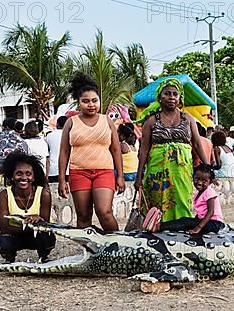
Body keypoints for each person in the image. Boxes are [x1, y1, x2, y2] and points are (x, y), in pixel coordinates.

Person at [134, 77, 209, 224]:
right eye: (167, 93)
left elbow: (197, 144)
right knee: (157, 202)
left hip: (181, 170)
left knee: (181, 200)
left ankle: (180, 233)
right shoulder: (151, 121)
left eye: (175, 94)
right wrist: (139, 176)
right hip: (157, 170)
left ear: (180, 98)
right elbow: (143, 151)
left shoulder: (188, 118)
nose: (171, 97)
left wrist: (207, 168)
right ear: (159, 97)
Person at [58, 72, 125, 231]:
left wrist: (120, 176)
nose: (91, 105)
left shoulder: (107, 121)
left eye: (95, 101)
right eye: (85, 101)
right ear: (78, 102)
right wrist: (62, 179)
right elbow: (64, 152)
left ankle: (117, 247)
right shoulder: (70, 123)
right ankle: (88, 251)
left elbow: (116, 149)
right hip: (78, 173)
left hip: (104, 172)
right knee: (83, 215)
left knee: (105, 212)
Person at [0, 151, 56, 263]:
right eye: (19, 173)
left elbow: (45, 224)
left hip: (35, 236)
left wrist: (39, 219)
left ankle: (44, 256)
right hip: (13, 236)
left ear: (34, 177)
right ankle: (9, 258)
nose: (24, 178)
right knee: (4, 240)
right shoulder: (4, 196)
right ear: (12, 176)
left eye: (28, 174)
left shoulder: (44, 194)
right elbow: (4, 228)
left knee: (47, 236)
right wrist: (30, 224)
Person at [159, 164, 225, 235]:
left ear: (210, 182)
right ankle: (161, 225)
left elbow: (210, 212)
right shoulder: (199, 193)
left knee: (185, 221)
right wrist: (194, 222)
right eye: (197, 179)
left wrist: (198, 227)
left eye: (204, 181)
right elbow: (201, 214)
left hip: (214, 224)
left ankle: (160, 226)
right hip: (208, 222)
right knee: (187, 222)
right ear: (193, 177)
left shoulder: (209, 192)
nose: (199, 183)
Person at [46, 115, 68, 183]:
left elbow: (47, 152)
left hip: (53, 170)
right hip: (67, 170)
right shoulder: (70, 135)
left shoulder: (49, 135)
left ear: (57, 124)